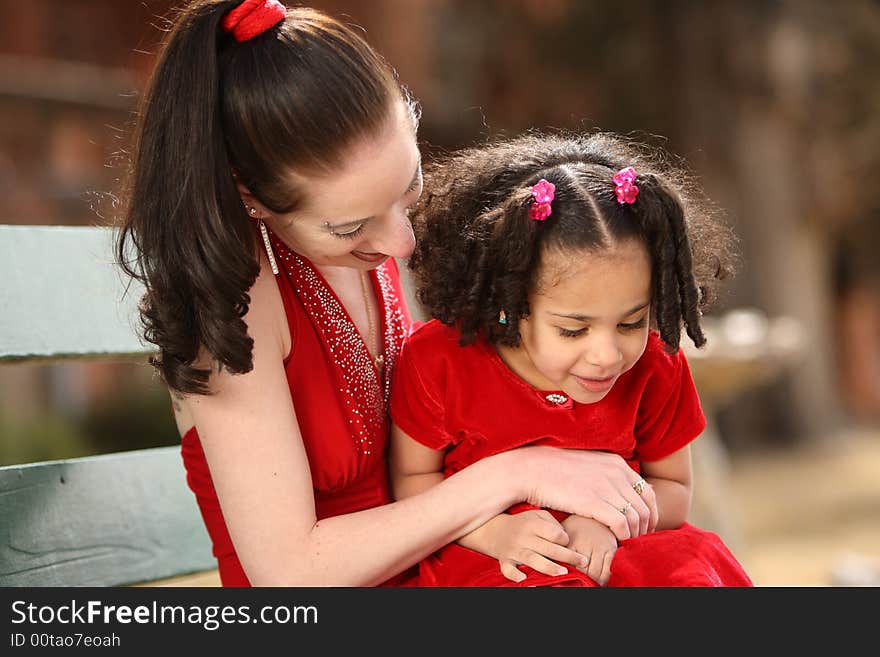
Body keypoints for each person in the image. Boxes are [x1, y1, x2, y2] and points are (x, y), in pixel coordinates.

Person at [115, 0, 659, 587]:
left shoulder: (364, 253)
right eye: (351, 226)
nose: (401, 242)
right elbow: (291, 572)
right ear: (250, 196)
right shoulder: (232, 310)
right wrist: (519, 472)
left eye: (410, 187)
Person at [389, 132, 753, 586]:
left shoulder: (656, 363)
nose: (606, 355)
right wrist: (492, 532)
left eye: (630, 322)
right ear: (512, 302)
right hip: (495, 561)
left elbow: (675, 488)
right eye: (572, 330)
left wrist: (606, 522)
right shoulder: (438, 362)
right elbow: (412, 483)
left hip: (621, 549)